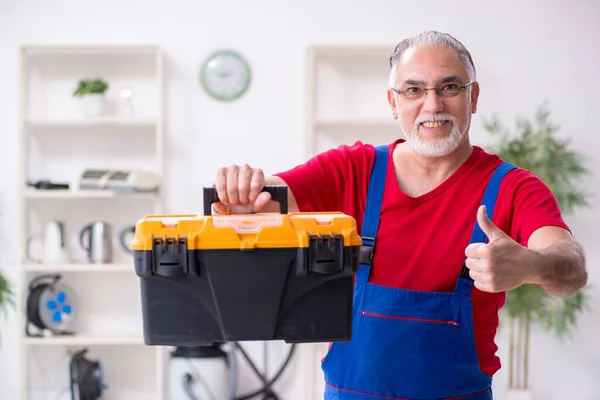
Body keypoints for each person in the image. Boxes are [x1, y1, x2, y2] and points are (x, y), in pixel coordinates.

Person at [211, 31, 588, 400]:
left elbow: (571, 266)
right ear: (393, 103)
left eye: (449, 87)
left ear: (472, 97)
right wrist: (242, 193)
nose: (432, 105)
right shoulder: (353, 169)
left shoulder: (512, 187)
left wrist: (532, 266)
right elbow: (265, 201)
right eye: (413, 90)